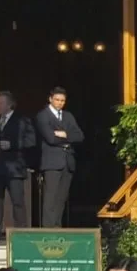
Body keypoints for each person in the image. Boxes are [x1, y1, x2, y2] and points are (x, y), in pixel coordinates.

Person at [0, 90, 35, 241]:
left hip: (14, 168)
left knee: (18, 201)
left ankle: (22, 233)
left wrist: (12, 144)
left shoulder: (22, 120)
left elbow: (31, 141)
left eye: (1, 103)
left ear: (10, 104)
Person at [34, 85, 84, 228]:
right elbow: (50, 138)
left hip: (67, 161)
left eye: (62, 100)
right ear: (50, 99)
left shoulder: (68, 116)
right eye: (57, 100)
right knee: (50, 197)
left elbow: (80, 136)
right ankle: (48, 229)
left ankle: (57, 227)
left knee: (61, 198)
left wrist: (64, 134)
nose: (59, 103)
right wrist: (68, 136)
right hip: (52, 162)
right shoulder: (43, 115)